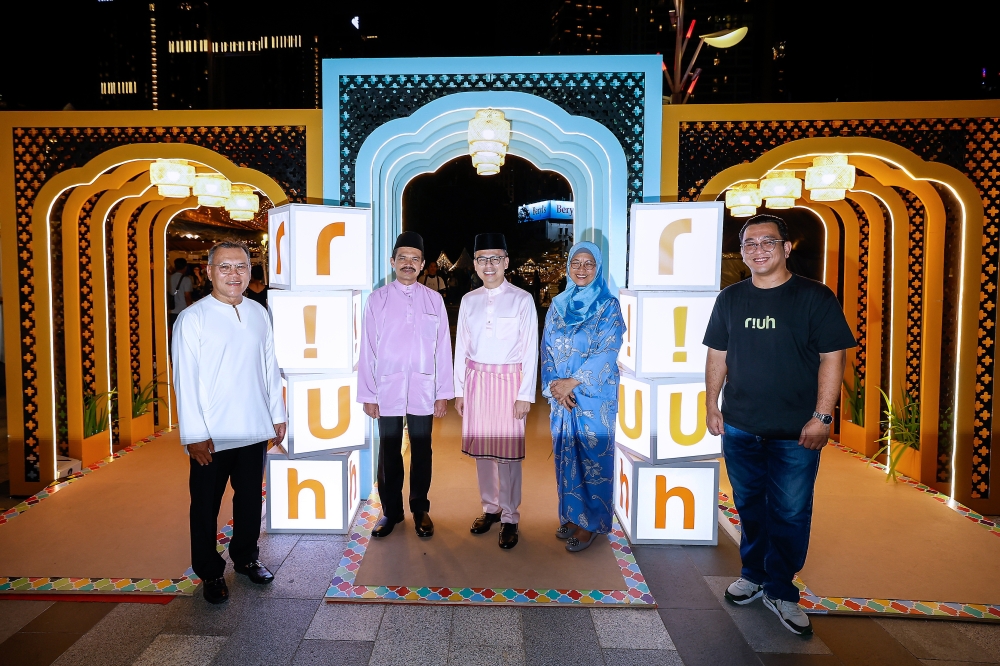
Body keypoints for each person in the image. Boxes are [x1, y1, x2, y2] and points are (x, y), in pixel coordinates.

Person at [703, 214, 856, 636]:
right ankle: (753, 574)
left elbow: (833, 357)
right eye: (749, 243)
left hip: (796, 431)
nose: (758, 249)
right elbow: (718, 353)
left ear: (786, 248)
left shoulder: (814, 297)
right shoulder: (731, 298)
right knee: (750, 507)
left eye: (768, 242)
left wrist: (823, 416)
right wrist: (711, 404)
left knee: (789, 511)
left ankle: (782, 590)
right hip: (740, 426)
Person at [172, 240, 287, 605]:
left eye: (241, 267)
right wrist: (194, 434)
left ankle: (246, 558)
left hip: (253, 425)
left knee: (251, 499)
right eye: (224, 267)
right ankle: (209, 571)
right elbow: (184, 380)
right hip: (211, 435)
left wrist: (277, 414)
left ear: (250, 272)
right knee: (205, 504)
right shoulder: (193, 319)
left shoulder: (258, 313)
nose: (234, 274)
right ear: (208, 272)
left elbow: (270, 367)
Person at [358, 231, 454, 539]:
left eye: (415, 259)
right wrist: (368, 394)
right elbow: (367, 349)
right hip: (386, 388)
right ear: (392, 262)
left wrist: (443, 394)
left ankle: (420, 508)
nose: (408, 264)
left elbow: (443, 350)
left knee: (422, 449)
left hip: (424, 389)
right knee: (388, 451)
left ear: (424, 264)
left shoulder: (434, 300)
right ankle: (391, 512)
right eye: (403, 258)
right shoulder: (378, 299)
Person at [454, 233, 538, 549]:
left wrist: (525, 394)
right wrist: (459, 390)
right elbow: (461, 346)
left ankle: (510, 517)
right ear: (475, 264)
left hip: (509, 384)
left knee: (508, 457)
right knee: (482, 454)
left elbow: (530, 350)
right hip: (476, 382)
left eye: (494, 258)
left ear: (505, 261)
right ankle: (490, 508)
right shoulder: (469, 300)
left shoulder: (522, 299)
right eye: (481, 259)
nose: (488, 265)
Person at [541, 242, 624, 552]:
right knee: (566, 457)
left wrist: (572, 382)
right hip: (562, 398)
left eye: (589, 263)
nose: (582, 269)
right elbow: (546, 349)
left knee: (592, 459)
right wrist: (555, 386)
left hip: (593, 396)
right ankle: (573, 515)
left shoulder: (608, 305)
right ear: (568, 266)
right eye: (576, 262)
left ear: (598, 268)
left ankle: (592, 524)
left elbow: (608, 350)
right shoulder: (558, 303)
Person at [168, 258, 193, 333]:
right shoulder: (186, 280)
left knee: (174, 331)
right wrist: (191, 309)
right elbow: (187, 296)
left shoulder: (169, 278)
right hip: (183, 310)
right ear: (185, 267)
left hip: (172, 309)